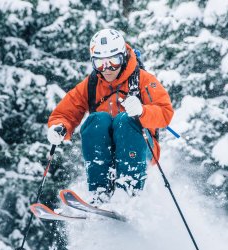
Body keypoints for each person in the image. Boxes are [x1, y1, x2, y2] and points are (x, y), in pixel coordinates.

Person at [47, 28, 174, 204]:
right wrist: (59, 127)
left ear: (123, 57)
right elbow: (65, 112)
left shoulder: (143, 80)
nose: (107, 69)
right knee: (96, 120)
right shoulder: (92, 84)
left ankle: (129, 192)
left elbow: (165, 113)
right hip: (107, 149)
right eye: (100, 63)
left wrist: (142, 111)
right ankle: (101, 192)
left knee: (125, 120)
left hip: (141, 147)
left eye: (114, 61)